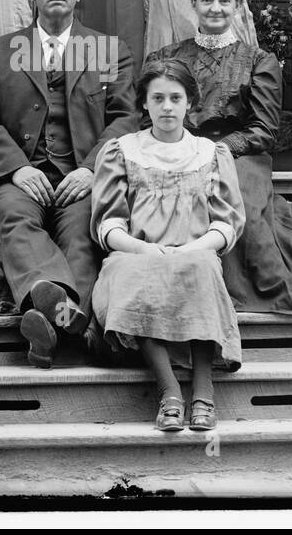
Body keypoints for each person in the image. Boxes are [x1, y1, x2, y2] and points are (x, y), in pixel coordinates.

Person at [0, 0, 138, 368]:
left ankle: (47, 324)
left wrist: (91, 168)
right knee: (13, 217)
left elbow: (126, 119)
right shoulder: (0, 51)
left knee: (85, 232)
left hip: (80, 177)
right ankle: (67, 317)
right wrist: (17, 167)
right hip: (21, 176)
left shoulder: (106, 50)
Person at [146, 0, 292, 314]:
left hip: (242, 153)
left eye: (225, 1)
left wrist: (218, 149)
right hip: (179, 149)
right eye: (207, 0)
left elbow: (264, 129)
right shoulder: (169, 56)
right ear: (192, 3)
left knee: (242, 208)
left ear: (238, 6)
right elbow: (150, 112)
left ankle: (261, 287)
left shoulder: (259, 60)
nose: (215, 8)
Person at [90, 58, 245, 432]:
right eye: (157, 98)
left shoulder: (210, 153)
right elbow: (108, 221)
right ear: (144, 103)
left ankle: (204, 392)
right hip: (139, 253)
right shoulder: (122, 150)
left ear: (190, 102)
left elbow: (227, 221)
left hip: (193, 251)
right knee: (130, 272)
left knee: (203, 268)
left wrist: (194, 249)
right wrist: (142, 249)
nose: (167, 107)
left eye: (176, 98)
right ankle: (170, 391)